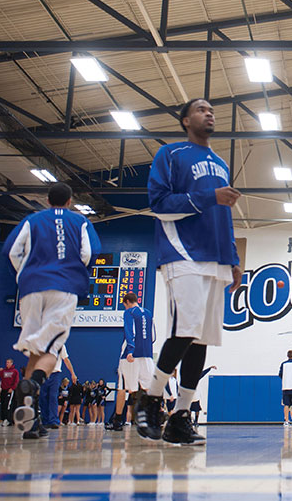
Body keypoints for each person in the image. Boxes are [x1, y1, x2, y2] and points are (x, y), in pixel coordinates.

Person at [135, 98, 242, 446]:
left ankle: (180, 415)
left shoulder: (221, 163)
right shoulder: (170, 154)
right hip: (182, 252)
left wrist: (233, 257)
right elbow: (159, 203)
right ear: (185, 120)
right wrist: (210, 196)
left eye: (212, 110)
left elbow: (223, 215)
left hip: (216, 256)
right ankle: (149, 400)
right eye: (201, 109)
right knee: (185, 328)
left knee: (202, 338)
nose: (209, 114)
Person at [4, 181, 101, 439]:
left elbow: (13, 252)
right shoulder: (80, 222)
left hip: (30, 287)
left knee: (35, 351)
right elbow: (88, 253)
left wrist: (24, 274)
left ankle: (31, 421)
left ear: (47, 200)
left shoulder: (32, 220)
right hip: (63, 287)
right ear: (70, 201)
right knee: (51, 351)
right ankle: (33, 384)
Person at [107, 292, 155, 431]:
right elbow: (152, 336)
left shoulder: (129, 312)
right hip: (147, 355)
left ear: (127, 302)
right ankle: (153, 417)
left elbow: (130, 331)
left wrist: (130, 350)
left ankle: (117, 421)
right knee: (148, 387)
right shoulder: (148, 313)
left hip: (130, 356)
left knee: (122, 388)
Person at [40, 345, 76, 430]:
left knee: (53, 397)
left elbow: (66, 360)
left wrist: (72, 373)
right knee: (43, 397)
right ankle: (45, 421)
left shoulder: (60, 345)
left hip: (55, 374)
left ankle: (53, 421)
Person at [0, 358, 20, 427]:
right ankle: (3, 419)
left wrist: (12, 388)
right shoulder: (3, 371)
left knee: (8, 405)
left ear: (12, 363)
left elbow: (16, 381)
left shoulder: (15, 371)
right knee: (2, 405)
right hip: (3, 390)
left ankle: (8, 420)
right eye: (6, 362)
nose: (7, 364)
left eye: (8, 362)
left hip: (10, 390)